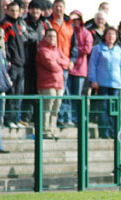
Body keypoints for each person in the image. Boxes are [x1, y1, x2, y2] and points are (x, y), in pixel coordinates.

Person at [88, 27, 121, 139]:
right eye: (109, 34)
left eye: (113, 34)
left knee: (114, 110)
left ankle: (114, 133)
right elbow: (92, 64)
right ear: (105, 36)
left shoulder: (119, 50)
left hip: (116, 84)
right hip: (102, 83)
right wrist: (93, 80)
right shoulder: (98, 49)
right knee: (103, 109)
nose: (111, 36)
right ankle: (104, 133)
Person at [20, 0, 51, 127]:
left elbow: (50, 38)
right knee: (28, 90)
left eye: (38, 9)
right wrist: (33, 37)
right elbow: (23, 37)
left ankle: (37, 118)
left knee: (40, 91)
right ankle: (25, 117)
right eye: (33, 9)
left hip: (42, 63)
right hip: (27, 62)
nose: (35, 11)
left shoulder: (45, 24)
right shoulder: (23, 22)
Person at [49, 0, 78, 128]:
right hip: (51, 62)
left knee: (64, 91)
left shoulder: (69, 25)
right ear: (53, 8)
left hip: (65, 63)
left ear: (64, 8)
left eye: (61, 7)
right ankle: (56, 119)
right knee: (53, 92)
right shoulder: (48, 22)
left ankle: (65, 118)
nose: (59, 9)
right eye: (56, 7)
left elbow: (74, 46)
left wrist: (72, 60)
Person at [36, 29, 70, 139]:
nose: (52, 38)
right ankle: (45, 131)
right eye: (50, 36)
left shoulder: (57, 50)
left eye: (54, 36)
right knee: (47, 109)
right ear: (45, 37)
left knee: (56, 109)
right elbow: (52, 66)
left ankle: (52, 130)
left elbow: (67, 62)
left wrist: (58, 61)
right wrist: (60, 63)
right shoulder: (42, 50)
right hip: (47, 84)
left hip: (59, 83)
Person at [0, 2, 26, 128]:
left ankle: (16, 118)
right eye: (12, 11)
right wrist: (8, 59)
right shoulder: (5, 24)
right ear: (7, 11)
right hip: (13, 64)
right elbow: (4, 44)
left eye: (16, 10)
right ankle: (9, 119)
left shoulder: (18, 24)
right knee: (12, 92)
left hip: (21, 63)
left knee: (19, 93)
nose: (15, 13)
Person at [67, 10, 92, 126]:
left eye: (77, 19)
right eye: (73, 19)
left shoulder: (86, 33)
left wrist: (75, 49)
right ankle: (68, 118)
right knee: (67, 94)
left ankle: (77, 118)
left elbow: (87, 49)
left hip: (80, 69)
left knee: (77, 96)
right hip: (68, 66)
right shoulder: (69, 31)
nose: (75, 22)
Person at [0, 28, 12, 153]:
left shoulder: (1, 53)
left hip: (1, 90)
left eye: (2, 37)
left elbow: (3, 72)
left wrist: (7, 83)